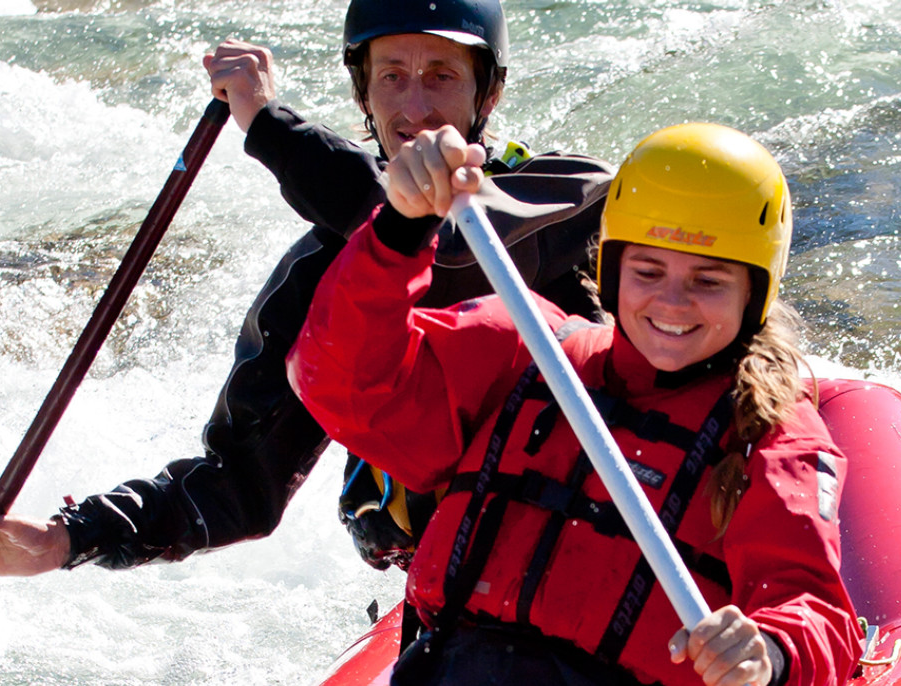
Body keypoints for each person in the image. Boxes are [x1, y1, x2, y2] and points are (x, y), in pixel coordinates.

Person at [0, 0, 611, 583]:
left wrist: (270, 128)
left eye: (442, 74)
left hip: (608, 536)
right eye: (392, 76)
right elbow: (239, 484)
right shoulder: (327, 272)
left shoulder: (571, 195)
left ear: (489, 93)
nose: (415, 108)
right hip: (464, 583)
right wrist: (68, 539)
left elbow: (453, 248)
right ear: (364, 94)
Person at [286, 122, 863, 686]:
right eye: (648, 270)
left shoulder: (771, 436)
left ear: (754, 293)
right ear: (610, 272)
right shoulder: (524, 349)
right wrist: (400, 227)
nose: (673, 302)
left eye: (709, 281)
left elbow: (812, 604)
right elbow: (340, 382)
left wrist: (769, 652)